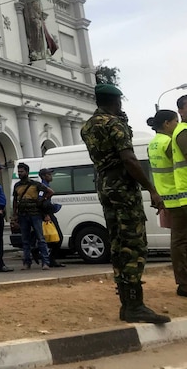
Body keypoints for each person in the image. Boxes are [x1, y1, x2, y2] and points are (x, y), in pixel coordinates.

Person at [80, 83, 169, 324]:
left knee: (118, 243)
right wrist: (151, 189)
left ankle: (126, 304)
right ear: (116, 101)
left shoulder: (87, 126)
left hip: (105, 188)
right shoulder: (115, 124)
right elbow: (128, 159)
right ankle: (135, 306)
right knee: (134, 244)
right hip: (123, 189)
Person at [158, 105, 187, 296]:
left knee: (179, 241)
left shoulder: (158, 141)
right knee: (180, 242)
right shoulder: (181, 133)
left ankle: (183, 283)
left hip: (174, 196)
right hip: (181, 195)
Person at [12, 162, 53, 270]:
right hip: (23, 215)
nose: (19, 174)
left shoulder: (35, 184)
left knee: (41, 238)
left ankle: (45, 262)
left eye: (21, 171)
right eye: (18, 172)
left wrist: (42, 200)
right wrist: (14, 215)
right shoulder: (17, 186)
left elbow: (50, 192)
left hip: (35, 214)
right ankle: (27, 262)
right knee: (25, 240)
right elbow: (15, 201)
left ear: (27, 172)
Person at [37, 168, 66, 267]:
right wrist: (45, 214)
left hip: (49, 213)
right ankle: (41, 254)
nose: (51, 176)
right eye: (49, 174)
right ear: (44, 176)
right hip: (46, 215)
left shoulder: (46, 186)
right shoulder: (42, 187)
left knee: (53, 238)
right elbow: (41, 202)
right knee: (58, 237)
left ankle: (50, 259)